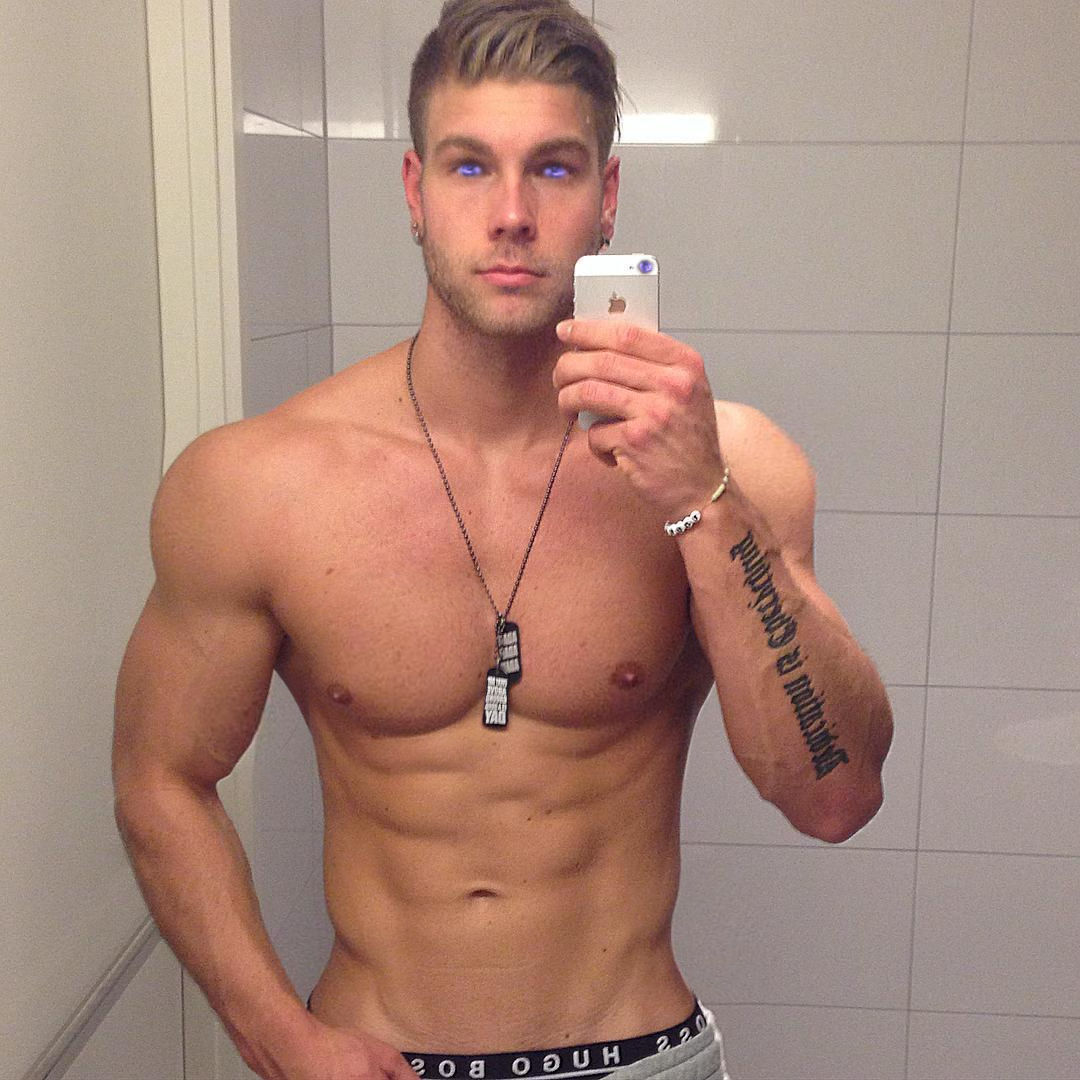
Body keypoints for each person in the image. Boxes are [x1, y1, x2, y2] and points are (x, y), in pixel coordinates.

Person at [113, 2, 893, 1078]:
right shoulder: (258, 485)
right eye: (471, 166)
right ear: (415, 192)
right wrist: (278, 1037)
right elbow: (159, 777)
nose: (513, 214)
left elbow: (835, 795)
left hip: (639, 1053)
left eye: (555, 169)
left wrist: (703, 500)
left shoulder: (735, 469)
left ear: (606, 198)